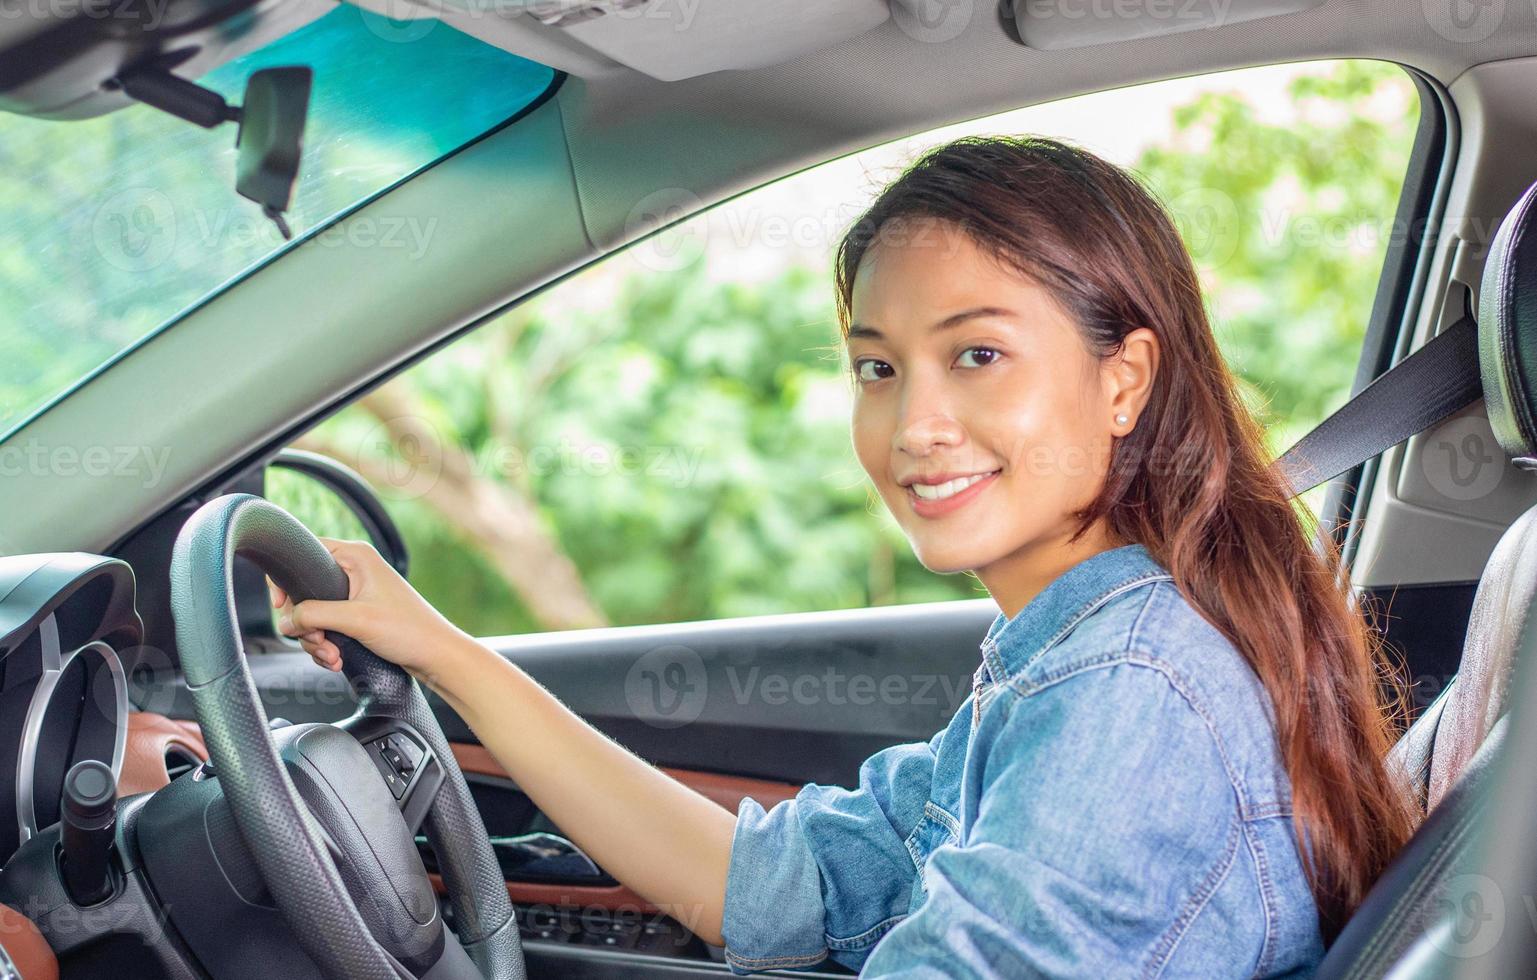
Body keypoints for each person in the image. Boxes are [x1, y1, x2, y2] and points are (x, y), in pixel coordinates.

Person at [270, 135, 1419, 977]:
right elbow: (777, 884)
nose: (913, 422)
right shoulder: (1075, 654)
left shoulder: (1130, 689)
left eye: (976, 355)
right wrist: (444, 652)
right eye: (877, 367)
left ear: (1122, 379)